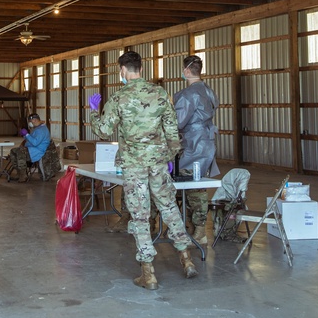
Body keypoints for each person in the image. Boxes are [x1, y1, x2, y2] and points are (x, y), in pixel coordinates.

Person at [88, 50, 198, 290]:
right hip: (158, 163)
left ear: (123, 70)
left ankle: (148, 273)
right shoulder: (160, 94)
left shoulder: (119, 98)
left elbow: (104, 131)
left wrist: (93, 113)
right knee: (169, 207)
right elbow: (172, 132)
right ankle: (187, 260)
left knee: (140, 215)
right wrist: (168, 157)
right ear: (141, 68)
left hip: (134, 166)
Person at [173, 54, 220, 245]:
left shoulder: (188, 94)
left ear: (186, 71)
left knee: (189, 185)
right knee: (198, 183)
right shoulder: (209, 91)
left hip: (193, 143)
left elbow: (178, 121)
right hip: (206, 142)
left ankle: (197, 230)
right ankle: (194, 226)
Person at [4, 113, 52, 181]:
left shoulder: (41, 130)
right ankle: (19, 173)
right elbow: (32, 139)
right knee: (13, 151)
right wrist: (25, 136)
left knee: (20, 153)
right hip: (31, 149)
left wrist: (27, 134)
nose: (30, 123)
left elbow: (35, 143)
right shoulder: (37, 128)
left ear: (34, 120)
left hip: (37, 151)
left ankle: (23, 175)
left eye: (30, 121)